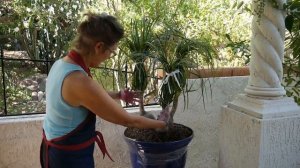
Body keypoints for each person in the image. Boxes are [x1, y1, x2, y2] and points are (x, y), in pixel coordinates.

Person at [40, 12, 166, 168]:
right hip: (68, 159)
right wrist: (163, 124)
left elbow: (85, 97)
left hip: (54, 150)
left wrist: (118, 95)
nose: (110, 57)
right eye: (111, 53)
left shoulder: (62, 64)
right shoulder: (78, 80)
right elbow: (127, 120)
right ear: (99, 46)